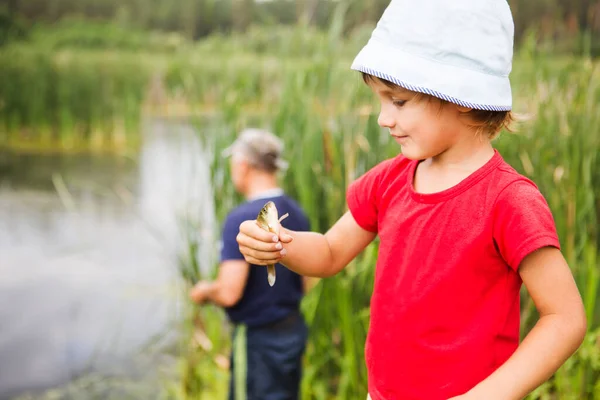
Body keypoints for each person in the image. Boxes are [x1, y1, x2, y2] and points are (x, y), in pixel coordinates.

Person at [235, 1, 587, 399]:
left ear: (462, 95)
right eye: (381, 101)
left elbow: (565, 318)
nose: (383, 118)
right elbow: (331, 252)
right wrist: (277, 242)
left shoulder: (509, 201)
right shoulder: (390, 180)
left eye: (398, 101)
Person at [189, 128, 311, 400]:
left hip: (258, 341)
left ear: (243, 166)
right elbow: (307, 282)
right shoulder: (297, 212)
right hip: (292, 331)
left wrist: (204, 291)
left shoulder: (241, 218)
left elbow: (230, 292)